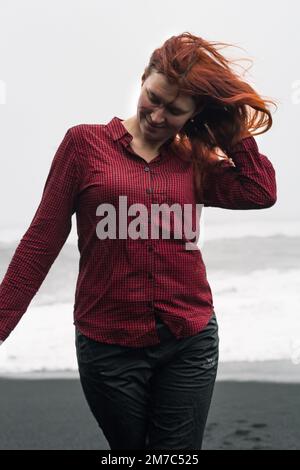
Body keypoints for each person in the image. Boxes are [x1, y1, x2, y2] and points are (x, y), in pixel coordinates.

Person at [0, 32, 277, 450]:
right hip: (107, 344)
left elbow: (259, 190)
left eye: (176, 110)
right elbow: (41, 242)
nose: (159, 115)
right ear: (143, 77)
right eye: (154, 97)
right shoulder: (83, 145)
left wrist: (228, 128)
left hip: (189, 337)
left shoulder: (193, 161)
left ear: (193, 114)